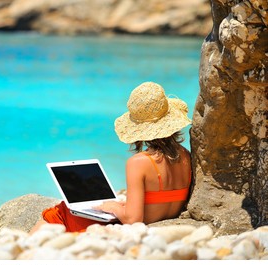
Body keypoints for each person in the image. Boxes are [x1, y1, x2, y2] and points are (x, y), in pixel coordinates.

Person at [31, 81, 192, 233]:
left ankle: (24, 251)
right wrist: (125, 205)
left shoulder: (139, 163)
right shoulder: (186, 156)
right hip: (161, 220)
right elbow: (160, 200)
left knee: (60, 212)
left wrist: (113, 207)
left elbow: (133, 219)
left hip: (128, 227)